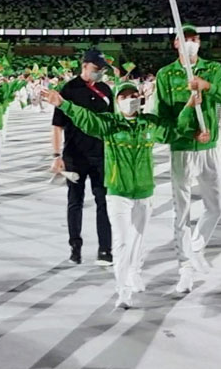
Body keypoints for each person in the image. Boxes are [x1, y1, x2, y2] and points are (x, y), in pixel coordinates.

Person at [45, 82, 199, 308]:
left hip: (144, 192)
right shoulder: (109, 124)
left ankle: (134, 272)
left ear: (140, 98)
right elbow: (87, 119)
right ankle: (123, 290)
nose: (129, 100)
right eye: (124, 96)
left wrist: (190, 106)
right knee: (122, 241)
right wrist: (63, 104)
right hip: (118, 192)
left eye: (134, 95)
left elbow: (173, 131)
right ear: (117, 101)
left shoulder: (150, 123)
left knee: (137, 238)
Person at [155, 24, 221, 293]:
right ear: (176, 43)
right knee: (182, 212)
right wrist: (187, 128)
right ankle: (185, 266)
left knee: (217, 206)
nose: (190, 42)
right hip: (182, 149)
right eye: (185, 39)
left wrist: (206, 85)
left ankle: (197, 246)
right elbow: (163, 116)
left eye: (195, 38)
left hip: (208, 147)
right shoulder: (165, 74)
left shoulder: (212, 69)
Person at [52, 49, 116, 265]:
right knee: (75, 202)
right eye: (96, 68)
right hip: (74, 155)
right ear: (85, 66)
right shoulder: (69, 89)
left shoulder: (105, 90)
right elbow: (57, 125)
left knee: (103, 202)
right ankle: (75, 246)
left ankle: (105, 249)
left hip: (101, 155)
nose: (99, 72)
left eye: (102, 69)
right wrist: (56, 155)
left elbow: (112, 123)